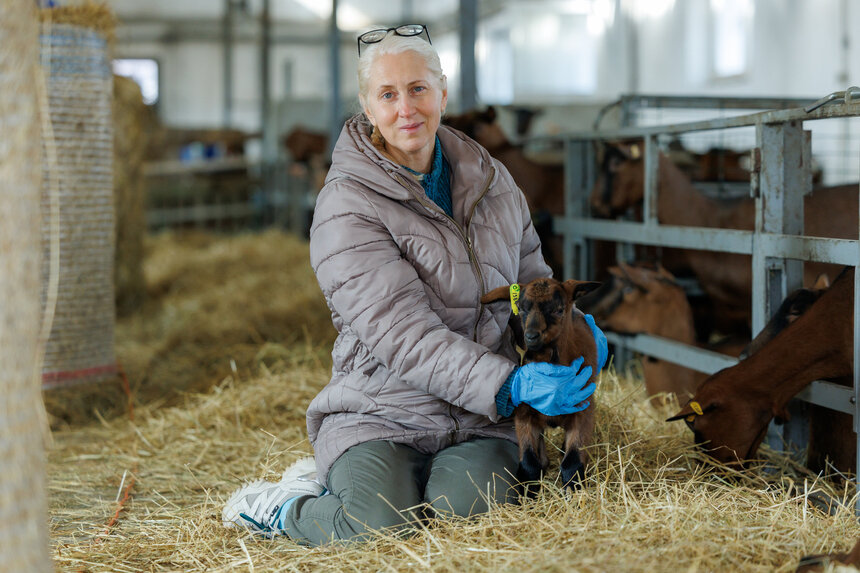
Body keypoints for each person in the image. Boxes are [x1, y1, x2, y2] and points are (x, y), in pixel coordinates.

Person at [222, 24, 607, 546]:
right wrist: (507, 384)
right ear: (367, 106)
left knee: (467, 514)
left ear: (443, 94)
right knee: (377, 527)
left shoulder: (494, 182)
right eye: (388, 94)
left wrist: (578, 327)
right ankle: (285, 506)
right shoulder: (346, 204)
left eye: (419, 89)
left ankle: (406, 484)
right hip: (384, 408)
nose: (407, 108)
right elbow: (402, 335)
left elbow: (531, 282)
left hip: (479, 417)